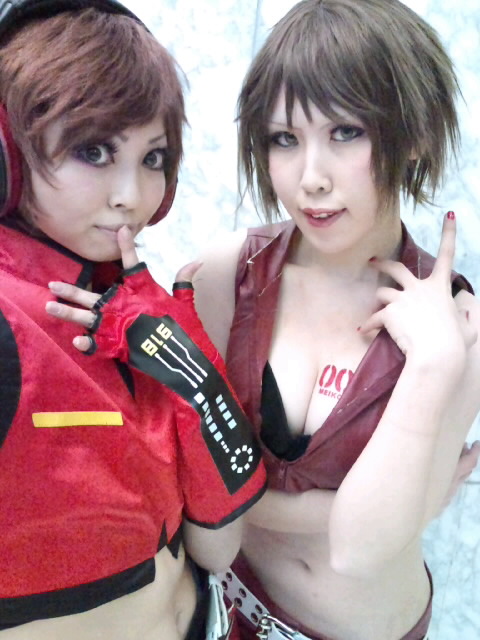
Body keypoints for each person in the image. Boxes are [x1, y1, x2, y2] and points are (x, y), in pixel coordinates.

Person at [188, 1, 480, 638]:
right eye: (284, 139)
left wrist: (433, 366)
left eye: (346, 132)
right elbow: (188, 483)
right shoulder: (225, 277)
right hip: (232, 607)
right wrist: (348, 506)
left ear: (415, 135)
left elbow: (360, 549)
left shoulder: (455, 326)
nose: (311, 179)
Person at [0, 1, 266, 638]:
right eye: (93, 150)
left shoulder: (126, 301)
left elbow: (216, 547)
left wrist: (191, 370)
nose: (133, 197)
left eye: (153, 158)